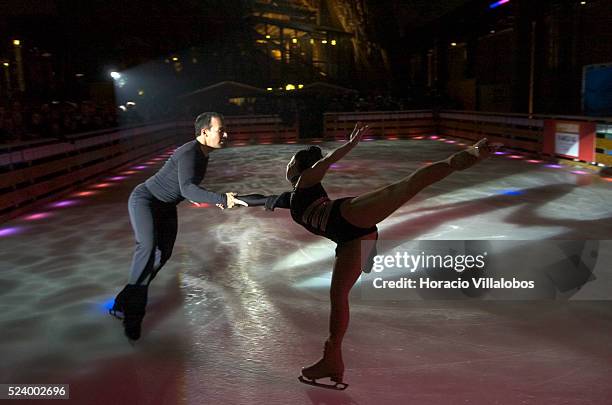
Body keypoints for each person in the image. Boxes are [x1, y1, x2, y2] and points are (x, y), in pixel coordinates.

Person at [241, 123, 498, 389]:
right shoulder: (291, 196)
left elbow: (326, 162)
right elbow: (263, 199)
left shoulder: (307, 180)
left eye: (292, 161)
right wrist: (231, 199)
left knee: (408, 184)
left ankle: (470, 155)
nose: (288, 165)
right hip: (350, 239)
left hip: (348, 215)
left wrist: (350, 145)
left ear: (299, 168)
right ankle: (332, 360)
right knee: (338, 297)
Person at [110, 112, 247, 341]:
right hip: (146, 201)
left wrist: (201, 196)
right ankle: (132, 317)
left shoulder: (203, 154)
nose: (225, 134)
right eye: (220, 130)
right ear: (204, 132)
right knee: (146, 249)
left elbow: (187, 186)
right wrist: (222, 198)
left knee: (162, 254)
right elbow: (187, 189)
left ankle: (123, 300)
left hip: (166, 206)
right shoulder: (189, 152)